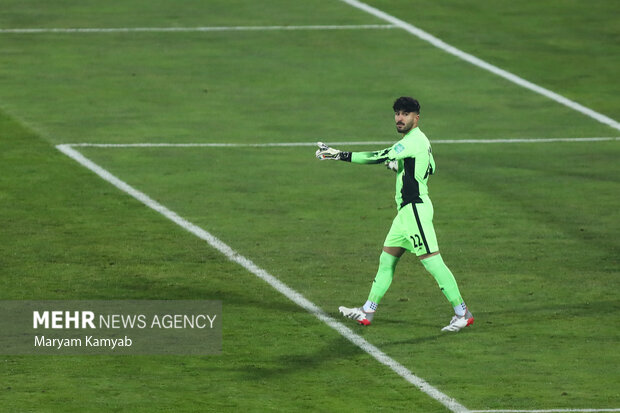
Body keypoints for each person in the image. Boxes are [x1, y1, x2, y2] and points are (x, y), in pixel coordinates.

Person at [315, 96, 473, 332]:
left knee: (432, 261)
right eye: (397, 113)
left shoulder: (412, 141)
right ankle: (368, 310)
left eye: (405, 114)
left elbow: (378, 156)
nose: (400, 118)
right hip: (405, 214)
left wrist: (338, 154)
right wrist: (401, 167)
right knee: (386, 260)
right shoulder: (420, 141)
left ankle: (463, 313)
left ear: (416, 118)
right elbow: (431, 167)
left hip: (415, 210)